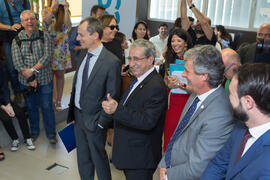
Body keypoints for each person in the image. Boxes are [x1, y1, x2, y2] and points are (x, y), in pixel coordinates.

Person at [158, 45, 234, 180]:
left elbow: (198, 167)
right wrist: (164, 164)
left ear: (204, 76)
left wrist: (167, 176)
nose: (183, 75)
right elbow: (178, 135)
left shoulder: (220, 115)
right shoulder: (196, 93)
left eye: (187, 71)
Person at [102, 39, 168, 180]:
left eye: (137, 59)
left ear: (151, 59)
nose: (131, 64)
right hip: (131, 154)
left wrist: (117, 110)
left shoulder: (155, 86)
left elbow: (147, 121)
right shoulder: (139, 79)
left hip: (140, 159)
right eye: (130, 58)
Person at [67, 16, 121, 180]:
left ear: (95, 36)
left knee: (99, 161)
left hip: (95, 122)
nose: (77, 38)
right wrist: (74, 113)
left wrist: (100, 123)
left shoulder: (112, 62)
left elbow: (112, 96)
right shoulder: (84, 52)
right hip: (78, 117)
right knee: (83, 160)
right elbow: (78, 85)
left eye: (81, 34)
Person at [201, 63, 270, 180]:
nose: (228, 98)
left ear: (248, 102)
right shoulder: (241, 126)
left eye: (231, 94)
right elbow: (218, 164)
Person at [11, 10, 57, 144]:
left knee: (47, 107)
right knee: (31, 108)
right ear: (21, 23)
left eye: (32, 18)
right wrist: (30, 78)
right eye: (26, 20)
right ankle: (35, 131)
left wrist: (32, 70)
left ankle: (51, 134)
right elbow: (17, 63)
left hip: (45, 79)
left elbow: (47, 57)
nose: (30, 21)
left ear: (36, 20)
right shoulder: (17, 40)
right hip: (26, 82)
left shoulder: (45, 36)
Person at [162, 28, 193, 152]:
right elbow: (165, 79)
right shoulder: (169, 58)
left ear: (186, 43)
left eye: (178, 40)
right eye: (172, 41)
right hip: (172, 101)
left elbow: (197, 85)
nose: (175, 44)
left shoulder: (193, 59)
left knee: (184, 136)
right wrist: (169, 84)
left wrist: (180, 85)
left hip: (188, 100)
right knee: (169, 132)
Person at [43, 0, 72, 111]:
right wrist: (52, 7)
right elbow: (45, 24)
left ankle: (59, 100)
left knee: (60, 77)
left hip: (61, 51)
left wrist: (65, 9)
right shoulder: (47, 10)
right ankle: (50, 100)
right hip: (48, 50)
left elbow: (67, 26)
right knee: (49, 78)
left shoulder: (65, 11)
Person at [0, 0, 30, 104]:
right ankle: (18, 93)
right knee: (12, 68)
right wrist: (10, 27)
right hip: (8, 37)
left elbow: (30, 18)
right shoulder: (1, 3)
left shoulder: (25, 2)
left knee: (27, 64)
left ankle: (29, 90)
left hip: (24, 36)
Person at [0, 62, 35, 152]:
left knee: (20, 112)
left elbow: (5, 87)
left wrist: (8, 103)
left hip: (4, 98)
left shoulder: (2, 66)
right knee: (5, 118)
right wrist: (3, 107)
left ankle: (27, 138)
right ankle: (15, 139)